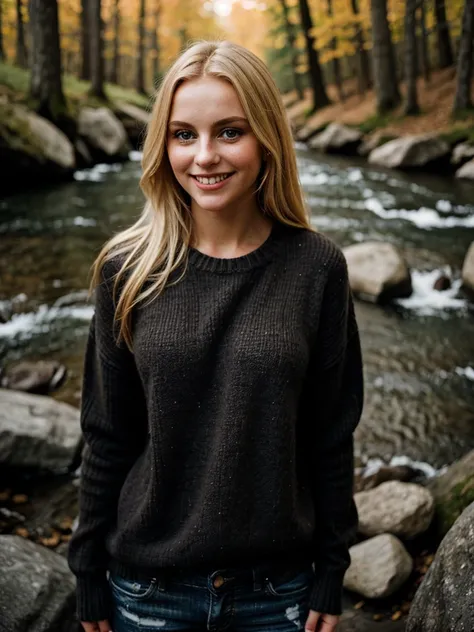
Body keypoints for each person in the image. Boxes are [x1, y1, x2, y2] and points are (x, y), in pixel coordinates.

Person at [67, 40, 364, 632]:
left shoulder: (316, 267)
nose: (204, 156)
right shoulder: (127, 269)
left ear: (267, 141)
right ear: (163, 144)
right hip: (148, 590)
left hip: (276, 593)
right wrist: (86, 572)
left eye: (229, 132)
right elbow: (107, 432)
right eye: (184, 135)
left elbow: (331, 433)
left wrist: (333, 570)